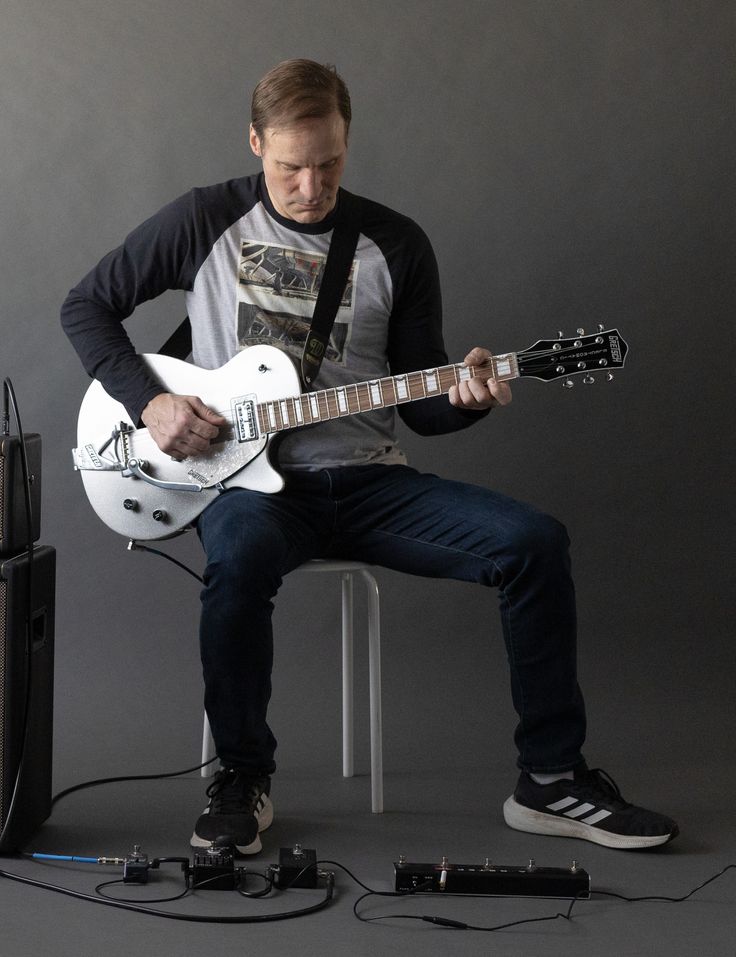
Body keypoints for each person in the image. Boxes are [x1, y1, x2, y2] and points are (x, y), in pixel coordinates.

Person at [61, 59, 677, 854]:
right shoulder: (203, 220)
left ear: (347, 145)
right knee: (239, 558)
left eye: (329, 165)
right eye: (289, 166)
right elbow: (86, 306)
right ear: (256, 143)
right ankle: (242, 779)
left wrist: (468, 398)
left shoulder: (395, 243)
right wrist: (152, 402)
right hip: (251, 491)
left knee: (535, 542)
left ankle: (552, 781)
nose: (311, 186)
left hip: (371, 481)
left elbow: (420, 407)